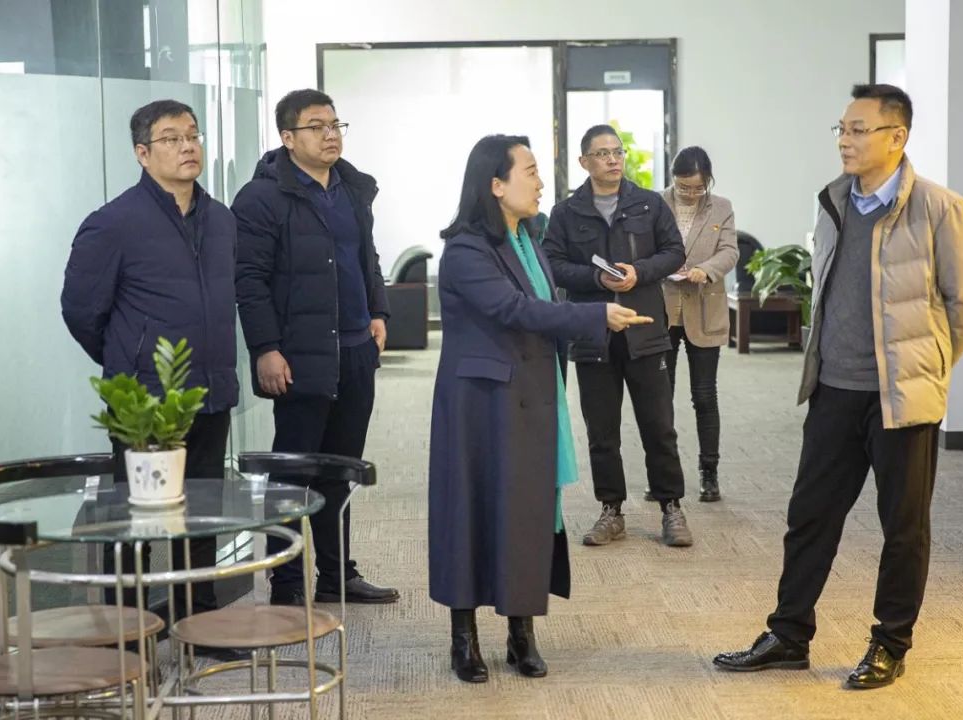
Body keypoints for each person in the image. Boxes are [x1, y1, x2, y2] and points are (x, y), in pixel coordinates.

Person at [713, 84, 963, 688]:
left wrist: (929, 366)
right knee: (809, 516)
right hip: (833, 389)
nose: (845, 139)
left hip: (902, 399)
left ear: (897, 137)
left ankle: (890, 643)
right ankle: (789, 634)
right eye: (841, 128)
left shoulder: (940, 208)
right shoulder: (833, 201)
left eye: (859, 129)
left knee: (903, 528)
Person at [429, 135, 651, 683]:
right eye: (529, 172)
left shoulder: (528, 236)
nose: (540, 182)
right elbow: (515, 309)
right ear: (495, 185)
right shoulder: (465, 250)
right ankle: (463, 639)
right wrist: (596, 316)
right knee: (472, 513)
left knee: (528, 512)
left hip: (530, 395)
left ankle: (521, 633)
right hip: (480, 405)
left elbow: (543, 302)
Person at [61, 99, 238, 616]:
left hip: (211, 391)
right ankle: (127, 630)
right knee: (136, 523)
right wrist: (130, 360)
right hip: (146, 406)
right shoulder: (113, 223)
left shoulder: (222, 220)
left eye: (193, 135)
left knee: (202, 517)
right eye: (171, 138)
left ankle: (199, 622)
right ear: (142, 153)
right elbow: (80, 310)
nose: (188, 146)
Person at [232, 89, 397, 606]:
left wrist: (378, 312)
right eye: (316, 126)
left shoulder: (351, 187)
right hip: (299, 354)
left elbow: (367, 258)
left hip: (356, 350)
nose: (331, 135)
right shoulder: (260, 199)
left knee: (341, 470)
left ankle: (336, 575)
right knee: (292, 473)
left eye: (335, 125)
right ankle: (285, 583)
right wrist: (265, 348)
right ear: (288, 137)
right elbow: (248, 281)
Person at [543, 124, 692, 547]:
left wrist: (638, 272)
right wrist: (596, 278)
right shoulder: (566, 213)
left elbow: (674, 252)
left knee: (659, 427)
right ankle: (611, 510)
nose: (612, 159)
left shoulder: (648, 203)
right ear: (584, 161)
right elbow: (552, 263)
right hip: (594, 334)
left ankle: (671, 507)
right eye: (602, 153)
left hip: (645, 331)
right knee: (602, 432)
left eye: (617, 152)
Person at [658, 146, 739, 502]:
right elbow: (643, 249)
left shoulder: (721, 207)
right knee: (660, 397)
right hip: (664, 308)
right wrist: (662, 266)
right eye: (683, 187)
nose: (691, 194)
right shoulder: (656, 203)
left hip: (705, 307)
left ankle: (709, 472)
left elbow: (730, 251)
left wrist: (705, 270)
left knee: (704, 396)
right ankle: (664, 474)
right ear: (673, 179)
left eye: (698, 187)